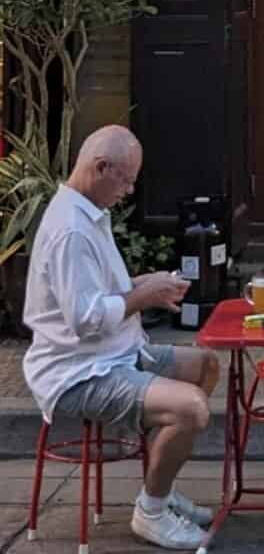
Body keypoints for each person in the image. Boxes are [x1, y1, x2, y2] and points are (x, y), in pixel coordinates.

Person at [22, 126, 220, 551]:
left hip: (116, 353)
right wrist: (142, 295)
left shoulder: (88, 212)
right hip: (78, 372)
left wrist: (142, 283)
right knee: (190, 409)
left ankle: (158, 487)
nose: (130, 190)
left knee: (206, 364)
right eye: (126, 179)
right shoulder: (72, 230)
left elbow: (95, 291)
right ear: (100, 168)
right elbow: (85, 318)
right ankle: (150, 512)